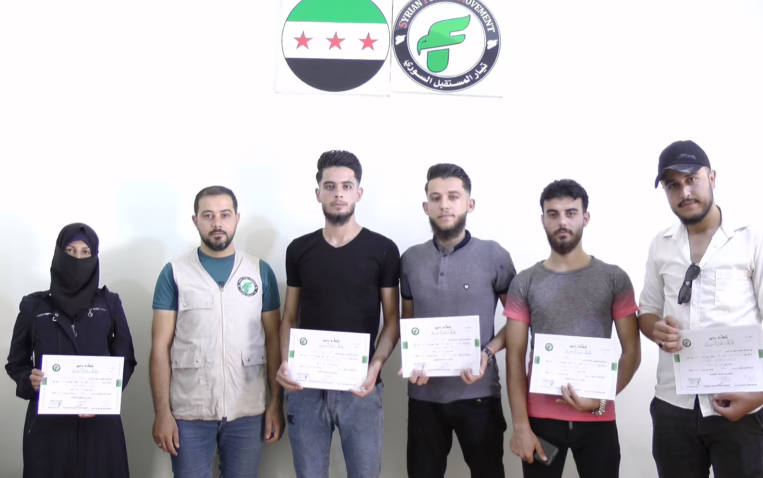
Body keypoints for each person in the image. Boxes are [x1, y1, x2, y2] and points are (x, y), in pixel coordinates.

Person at [638, 140, 763, 477]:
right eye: (672, 185)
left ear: (712, 177)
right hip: (673, 405)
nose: (684, 191)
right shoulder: (660, 244)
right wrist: (656, 330)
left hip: (741, 402)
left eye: (691, 179)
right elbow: (647, 311)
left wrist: (761, 394)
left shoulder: (752, 238)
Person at [276, 150, 400, 478]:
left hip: (362, 388)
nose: (338, 193)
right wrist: (286, 362)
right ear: (318, 193)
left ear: (359, 193)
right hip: (305, 388)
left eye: (346, 186)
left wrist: (375, 367)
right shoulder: (299, 249)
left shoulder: (383, 249)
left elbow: (392, 322)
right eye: (330, 186)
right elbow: (290, 318)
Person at [505, 179, 641, 478]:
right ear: (543, 220)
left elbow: (632, 352)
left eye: (571, 213)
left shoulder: (614, 278)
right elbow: (514, 358)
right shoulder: (524, 282)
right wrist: (521, 426)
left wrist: (601, 400)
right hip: (540, 422)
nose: (562, 222)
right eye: (553, 214)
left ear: (585, 217)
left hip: (598, 418)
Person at [149, 186, 283, 477]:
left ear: (237, 219)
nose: (217, 223)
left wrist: (276, 404)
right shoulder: (174, 273)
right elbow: (160, 347)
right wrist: (162, 412)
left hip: (248, 410)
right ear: (195, 220)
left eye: (225, 215)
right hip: (189, 413)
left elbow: (274, 341)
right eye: (208, 215)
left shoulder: (259, 272)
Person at [400, 163, 515, 478]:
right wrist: (411, 359)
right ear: (426, 206)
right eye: (436, 198)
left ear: (469, 204)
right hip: (423, 395)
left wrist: (487, 352)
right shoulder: (409, 259)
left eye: (453, 196)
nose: (444, 205)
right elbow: (407, 323)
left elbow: (518, 323)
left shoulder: (495, 256)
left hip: (478, 394)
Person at [6, 223, 137, 478]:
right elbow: (16, 362)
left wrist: (105, 395)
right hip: (48, 431)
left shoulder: (109, 303)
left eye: (85, 252)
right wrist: (28, 380)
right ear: (59, 254)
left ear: (94, 257)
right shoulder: (34, 305)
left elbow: (126, 360)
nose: (77, 258)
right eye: (70, 250)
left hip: (100, 427)